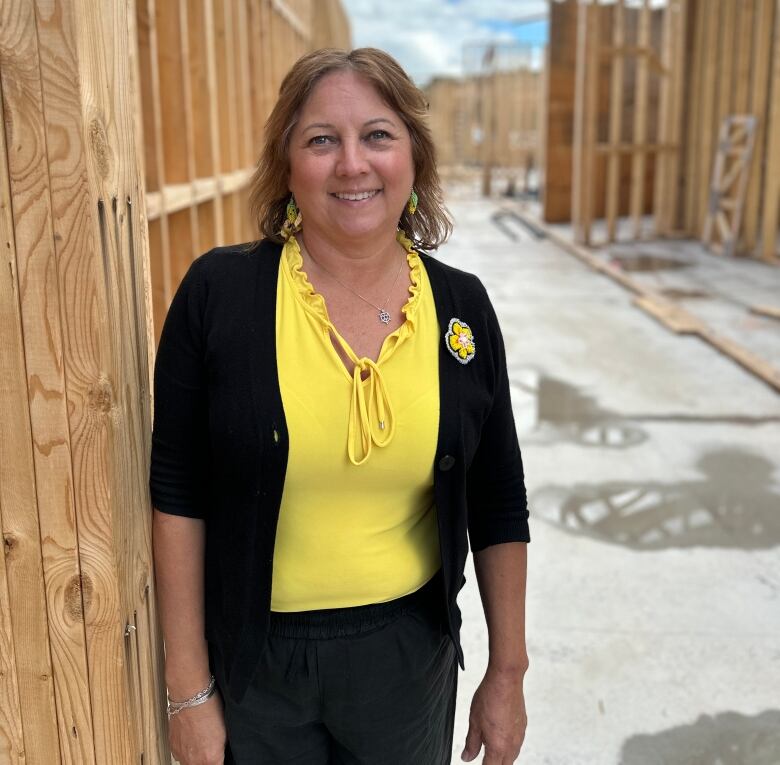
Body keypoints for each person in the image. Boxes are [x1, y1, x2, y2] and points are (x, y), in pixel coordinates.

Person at [150, 47, 530, 765]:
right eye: (322, 139)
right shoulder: (218, 297)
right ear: (287, 167)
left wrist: (506, 671)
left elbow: (498, 495)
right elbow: (178, 495)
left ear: (413, 156)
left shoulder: (462, 310)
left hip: (405, 662)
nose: (353, 163)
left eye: (378, 135)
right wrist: (187, 689)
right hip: (255, 669)